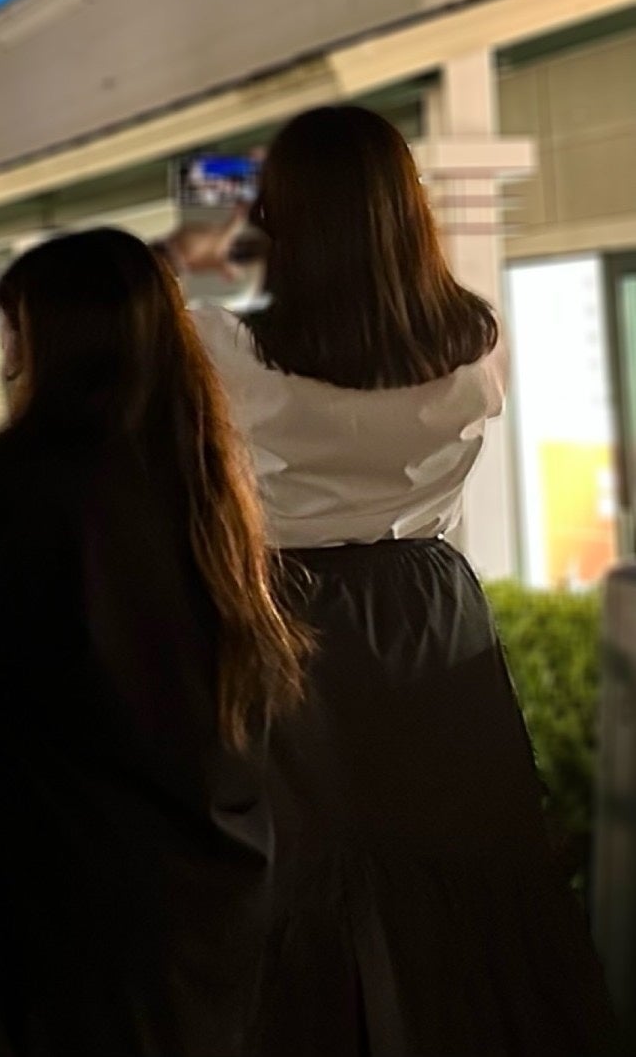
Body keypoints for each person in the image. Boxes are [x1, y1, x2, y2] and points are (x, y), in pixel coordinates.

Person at [163, 105, 618, 1055]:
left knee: (304, 872)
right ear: (405, 211)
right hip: (431, 608)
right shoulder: (472, 335)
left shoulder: (220, 345)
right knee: (459, 869)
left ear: (279, 217)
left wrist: (197, 248)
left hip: (286, 614)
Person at [0, 229, 305, 1056]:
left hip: (41, 931)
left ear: (51, 340)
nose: (6, 358)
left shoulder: (8, 502)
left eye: (13, 329)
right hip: (194, 914)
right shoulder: (201, 488)